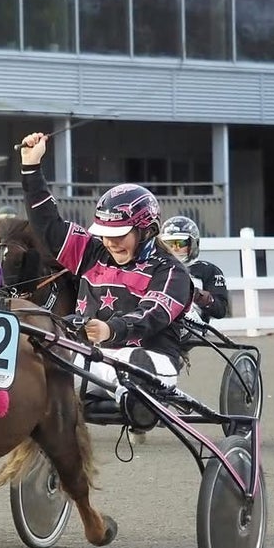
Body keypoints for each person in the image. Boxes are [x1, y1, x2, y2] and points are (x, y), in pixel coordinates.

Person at [18, 131, 192, 398]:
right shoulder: (91, 252)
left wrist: (112, 329)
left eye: (119, 234)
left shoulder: (170, 271)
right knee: (34, 366)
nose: (110, 242)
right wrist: (31, 168)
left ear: (146, 230)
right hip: (91, 358)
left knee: (132, 363)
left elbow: (153, 313)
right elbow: (48, 227)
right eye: (105, 234)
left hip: (148, 360)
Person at [158, 215, 230, 326]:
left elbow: (221, 311)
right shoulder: (155, 267)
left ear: (193, 244)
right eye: (169, 244)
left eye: (180, 243)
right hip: (159, 325)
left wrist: (200, 297)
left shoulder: (207, 270)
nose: (174, 248)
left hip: (193, 331)